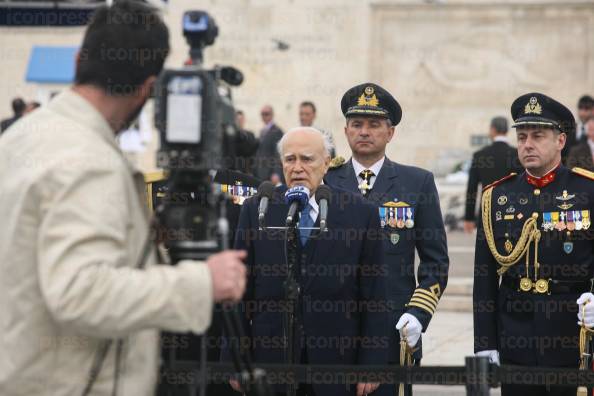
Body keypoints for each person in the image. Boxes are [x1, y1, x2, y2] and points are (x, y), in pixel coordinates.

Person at [0, 2, 247, 395]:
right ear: (150, 88)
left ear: (80, 59)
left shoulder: (21, 138)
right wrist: (201, 283)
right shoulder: (88, 161)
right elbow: (80, 292)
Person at [225, 127, 389, 396]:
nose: (298, 167)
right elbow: (239, 292)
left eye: (307, 159)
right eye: (290, 159)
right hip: (270, 362)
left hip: (335, 362)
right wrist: (233, 360)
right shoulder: (258, 209)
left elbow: (374, 296)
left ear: (327, 162)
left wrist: (372, 364)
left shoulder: (360, 213)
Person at [324, 83, 449, 396]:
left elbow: (436, 262)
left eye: (374, 125)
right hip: (330, 328)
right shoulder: (325, 179)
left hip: (392, 328)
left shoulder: (417, 182)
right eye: (357, 124)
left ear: (390, 133)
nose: (364, 132)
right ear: (346, 130)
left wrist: (418, 314)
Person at [473, 92, 594, 396]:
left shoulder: (586, 190)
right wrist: (484, 345)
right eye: (522, 136)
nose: (527, 144)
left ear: (560, 141)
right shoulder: (497, 197)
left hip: (572, 334)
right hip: (515, 334)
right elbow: (484, 278)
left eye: (538, 136)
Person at [464, 116, 522, 233]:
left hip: (487, 211)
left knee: (485, 247)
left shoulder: (479, 155)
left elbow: (472, 189)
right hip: (512, 211)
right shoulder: (517, 154)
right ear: (506, 130)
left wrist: (469, 217)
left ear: (492, 129)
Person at [254, 104, 284, 184]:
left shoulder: (277, 131)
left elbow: (278, 153)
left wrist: (276, 173)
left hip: (270, 173)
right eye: (263, 114)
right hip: (260, 173)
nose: (264, 116)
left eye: (266, 114)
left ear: (272, 115)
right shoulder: (262, 131)